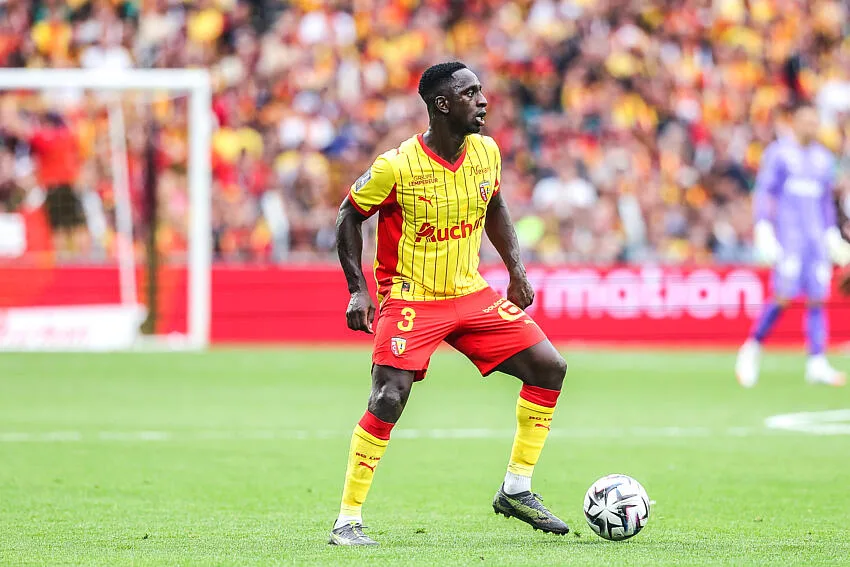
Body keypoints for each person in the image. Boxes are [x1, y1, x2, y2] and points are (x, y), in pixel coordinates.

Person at [330, 62, 569, 546]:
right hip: (412, 297)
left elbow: (495, 205)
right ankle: (347, 520)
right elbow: (348, 216)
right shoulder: (396, 166)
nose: (483, 101)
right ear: (442, 104)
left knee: (550, 367)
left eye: (481, 91)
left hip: (469, 292)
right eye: (470, 93)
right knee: (388, 397)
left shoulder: (486, 152)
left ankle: (516, 489)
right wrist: (358, 288)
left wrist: (517, 270)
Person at [736, 102, 850, 387]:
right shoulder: (779, 154)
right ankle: (752, 347)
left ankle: (817, 362)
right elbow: (766, 192)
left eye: (815, 122)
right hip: (789, 236)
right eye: (806, 121)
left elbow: (825, 201)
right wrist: (763, 227)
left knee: (817, 297)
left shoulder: (823, 158)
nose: (812, 127)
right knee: (783, 295)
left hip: (815, 238)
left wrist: (831, 233)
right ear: (795, 123)